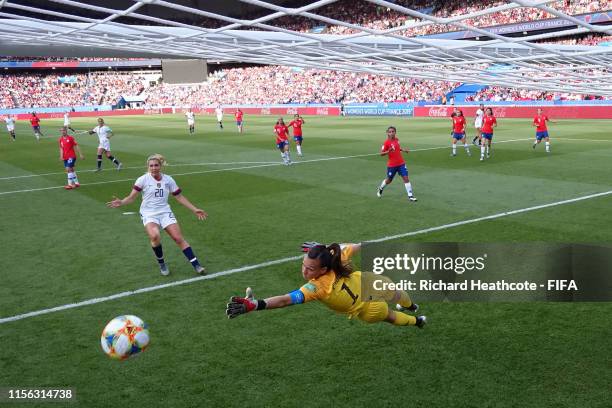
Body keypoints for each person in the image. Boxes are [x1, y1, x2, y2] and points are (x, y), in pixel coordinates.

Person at [226, 242, 426, 329]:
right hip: (368, 300)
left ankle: (413, 312)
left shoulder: (317, 288)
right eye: (303, 265)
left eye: (310, 269)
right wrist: (257, 304)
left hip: (368, 291)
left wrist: (256, 304)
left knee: (394, 302)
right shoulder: (336, 258)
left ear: (322, 270)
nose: (305, 272)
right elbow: (357, 245)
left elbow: (286, 300)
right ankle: (415, 316)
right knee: (393, 301)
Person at [106, 154, 207, 276]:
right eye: (151, 166)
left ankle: (197, 265)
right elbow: (131, 198)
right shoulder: (143, 179)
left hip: (165, 212)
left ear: (161, 166)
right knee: (155, 236)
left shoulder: (168, 180)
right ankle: (162, 263)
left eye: (156, 165)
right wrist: (122, 202)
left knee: (178, 238)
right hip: (149, 213)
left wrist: (194, 209)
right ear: (148, 167)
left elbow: (179, 196)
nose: (154, 168)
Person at [376, 126, 417, 202]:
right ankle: (381, 188)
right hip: (392, 165)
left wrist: (404, 150)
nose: (391, 133)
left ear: (395, 132)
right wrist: (388, 151)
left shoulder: (397, 140)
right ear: (387, 133)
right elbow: (381, 154)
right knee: (389, 180)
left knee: (406, 178)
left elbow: (398, 148)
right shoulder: (386, 143)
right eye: (390, 132)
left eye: (393, 131)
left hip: (401, 163)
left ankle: (410, 196)